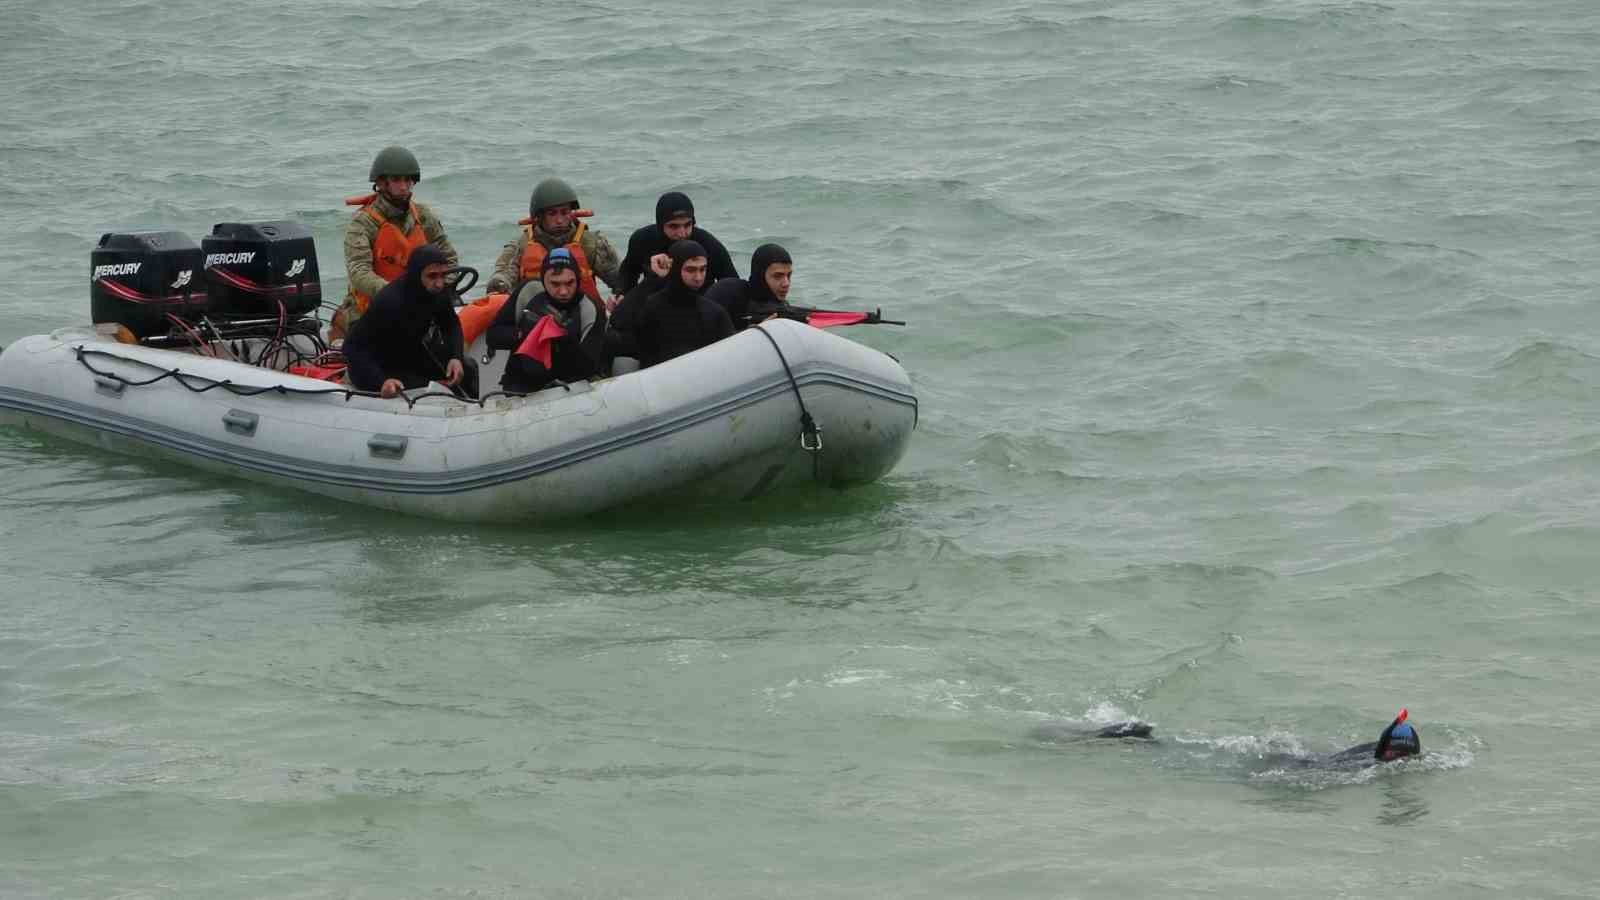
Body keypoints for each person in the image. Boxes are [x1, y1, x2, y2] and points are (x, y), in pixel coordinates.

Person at [336, 145, 457, 337]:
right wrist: (397, 295)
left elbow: (449, 258)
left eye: (408, 180)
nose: (403, 186)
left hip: (419, 308)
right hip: (373, 311)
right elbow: (359, 271)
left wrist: (439, 288)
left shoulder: (423, 216)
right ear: (382, 183)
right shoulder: (363, 223)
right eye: (396, 180)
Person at [342, 244, 478, 399]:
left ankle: (475, 409)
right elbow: (352, 347)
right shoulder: (390, 301)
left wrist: (456, 357)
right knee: (428, 387)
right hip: (373, 365)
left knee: (468, 368)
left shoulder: (438, 292)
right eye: (432, 276)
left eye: (443, 275)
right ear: (416, 275)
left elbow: (450, 325)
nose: (440, 283)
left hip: (408, 355)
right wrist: (381, 381)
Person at [484, 177, 622, 301]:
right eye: (552, 214)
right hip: (535, 317)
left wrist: (622, 296)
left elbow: (620, 279)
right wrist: (499, 285)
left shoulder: (591, 243)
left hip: (582, 315)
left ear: (571, 213)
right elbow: (504, 275)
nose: (560, 220)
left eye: (564, 212)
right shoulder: (522, 245)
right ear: (539, 217)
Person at [493, 248, 607, 394]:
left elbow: (589, 367)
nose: (563, 291)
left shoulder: (590, 308)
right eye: (555, 284)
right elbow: (493, 336)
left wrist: (563, 338)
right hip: (521, 384)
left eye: (569, 283)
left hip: (568, 388)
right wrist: (524, 333)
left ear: (577, 279)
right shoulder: (528, 291)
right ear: (543, 280)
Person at [607, 239, 733, 369]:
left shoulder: (714, 313)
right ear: (675, 268)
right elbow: (618, 321)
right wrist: (653, 278)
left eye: (702, 269)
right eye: (691, 270)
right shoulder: (652, 307)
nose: (698, 278)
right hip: (657, 379)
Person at [615, 191, 739, 295]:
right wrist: (621, 293)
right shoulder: (642, 240)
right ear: (660, 225)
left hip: (700, 308)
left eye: (687, 225)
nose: (682, 233)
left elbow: (732, 284)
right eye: (674, 226)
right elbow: (629, 271)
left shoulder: (708, 244)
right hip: (655, 306)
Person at [706, 243, 794, 330]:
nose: (786, 283)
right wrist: (753, 333)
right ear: (760, 276)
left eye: (789, 275)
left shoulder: (781, 308)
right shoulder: (727, 293)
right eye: (777, 276)